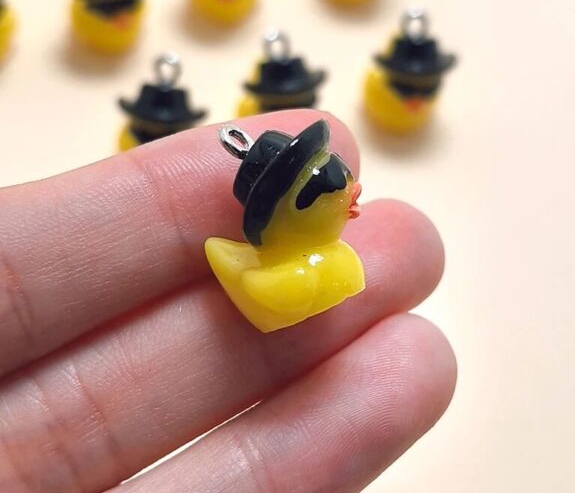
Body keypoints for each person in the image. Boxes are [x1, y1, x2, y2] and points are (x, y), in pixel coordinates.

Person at [0, 110, 456, 492]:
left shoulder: (334, 262)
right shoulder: (295, 276)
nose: (351, 195)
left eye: (342, 177)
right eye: (331, 185)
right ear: (290, 211)